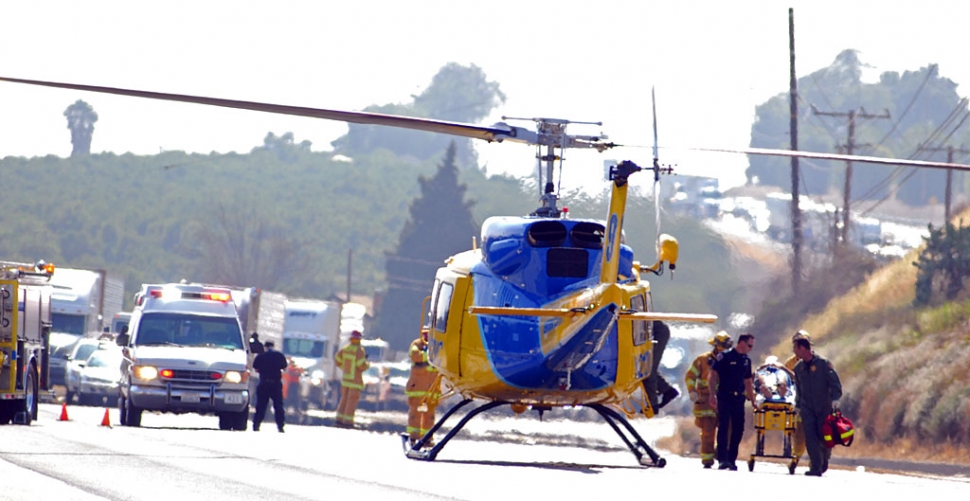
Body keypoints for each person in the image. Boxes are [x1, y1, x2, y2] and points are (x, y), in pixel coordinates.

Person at [792, 335, 843, 477]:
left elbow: (834, 382)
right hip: (807, 407)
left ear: (802, 348)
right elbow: (799, 389)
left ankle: (824, 459)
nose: (794, 351)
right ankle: (815, 467)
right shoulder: (798, 368)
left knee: (823, 435)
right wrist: (798, 405)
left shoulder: (823, 364)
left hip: (824, 406)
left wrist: (835, 398)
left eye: (795, 348)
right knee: (810, 436)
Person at [708, 332, 757, 471]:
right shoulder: (725, 356)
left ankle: (732, 458)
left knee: (738, 429)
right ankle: (722, 459)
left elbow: (747, 381)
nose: (750, 348)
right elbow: (712, 375)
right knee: (723, 427)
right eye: (749, 345)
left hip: (738, 399)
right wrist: (712, 394)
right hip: (724, 396)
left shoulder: (746, 360)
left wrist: (752, 400)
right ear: (741, 343)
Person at [684, 331, 732, 468]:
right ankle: (707, 460)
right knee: (707, 433)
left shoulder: (732, 360)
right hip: (705, 400)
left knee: (729, 430)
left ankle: (720, 454)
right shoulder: (703, 360)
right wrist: (692, 391)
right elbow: (690, 376)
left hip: (725, 399)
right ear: (715, 346)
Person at [406, 329, 440, 447]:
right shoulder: (416, 345)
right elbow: (415, 356)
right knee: (415, 415)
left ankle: (427, 438)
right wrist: (430, 354)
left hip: (431, 391)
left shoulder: (438, 346)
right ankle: (413, 437)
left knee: (429, 417)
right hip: (417, 391)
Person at [641, 320, 680, 414]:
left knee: (647, 369)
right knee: (645, 369)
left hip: (657, 333)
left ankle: (653, 404)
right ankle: (667, 390)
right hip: (651, 333)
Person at [783, 330, 810, 465]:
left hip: (814, 403)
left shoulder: (817, 362)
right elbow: (785, 382)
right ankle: (796, 458)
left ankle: (816, 463)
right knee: (799, 433)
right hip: (797, 402)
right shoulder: (790, 363)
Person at [334, 330, 370, 428]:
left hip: (345, 380)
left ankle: (339, 420)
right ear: (359, 339)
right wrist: (367, 364)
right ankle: (348, 422)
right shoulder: (359, 350)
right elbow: (361, 365)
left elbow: (337, 360)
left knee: (343, 400)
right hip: (355, 381)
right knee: (351, 401)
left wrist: (344, 367)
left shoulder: (345, 349)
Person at [252, 340, 288, 432]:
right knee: (278, 406)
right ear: (273, 346)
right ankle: (280, 427)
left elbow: (256, 368)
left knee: (261, 406)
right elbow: (284, 367)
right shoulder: (279, 355)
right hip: (276, 384)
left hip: (264, 383)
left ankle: (256, 425)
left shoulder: (260, 356)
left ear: (265, 346)